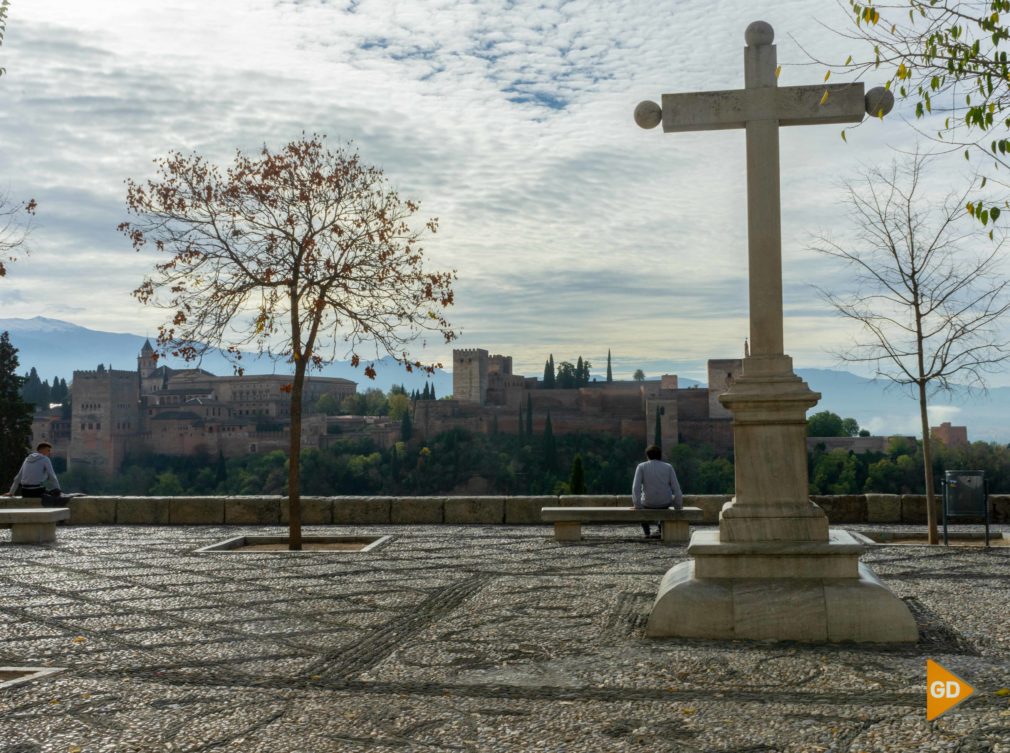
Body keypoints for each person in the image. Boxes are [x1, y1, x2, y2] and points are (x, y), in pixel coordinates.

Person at [631, 444, 683, 538]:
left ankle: (647, 531)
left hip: (647, 503)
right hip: (665, 503)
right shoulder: (668, 467)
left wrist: (637, 505)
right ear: (660, 456)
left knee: (641, 506)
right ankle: (660, 528)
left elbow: (636, 487)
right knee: (664, 504)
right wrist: (678, 505)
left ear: (647, 456)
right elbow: (676, 487)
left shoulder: (641, 466)